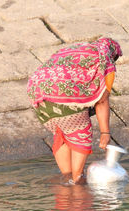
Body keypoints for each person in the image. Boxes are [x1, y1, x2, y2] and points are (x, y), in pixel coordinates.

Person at [27, 37, 122, 185]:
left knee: (61, 132)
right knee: (80, 132)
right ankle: (77, 180)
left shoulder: (74, 51)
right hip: (61, 92)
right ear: (113, 54)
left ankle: (66, 179)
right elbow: (102, 101)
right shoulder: (105, 60)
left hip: (36, 91)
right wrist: (105, 133)